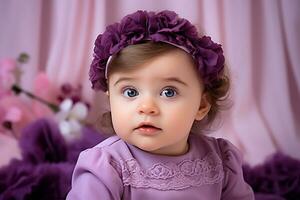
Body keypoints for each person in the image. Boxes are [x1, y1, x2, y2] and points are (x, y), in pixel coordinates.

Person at [67, 10, 254, 200]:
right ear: (110, 100)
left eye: (168, 92)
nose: (147, 107)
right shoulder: (106, 167)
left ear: (201, 106)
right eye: (130, 92)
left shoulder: (220, 160)